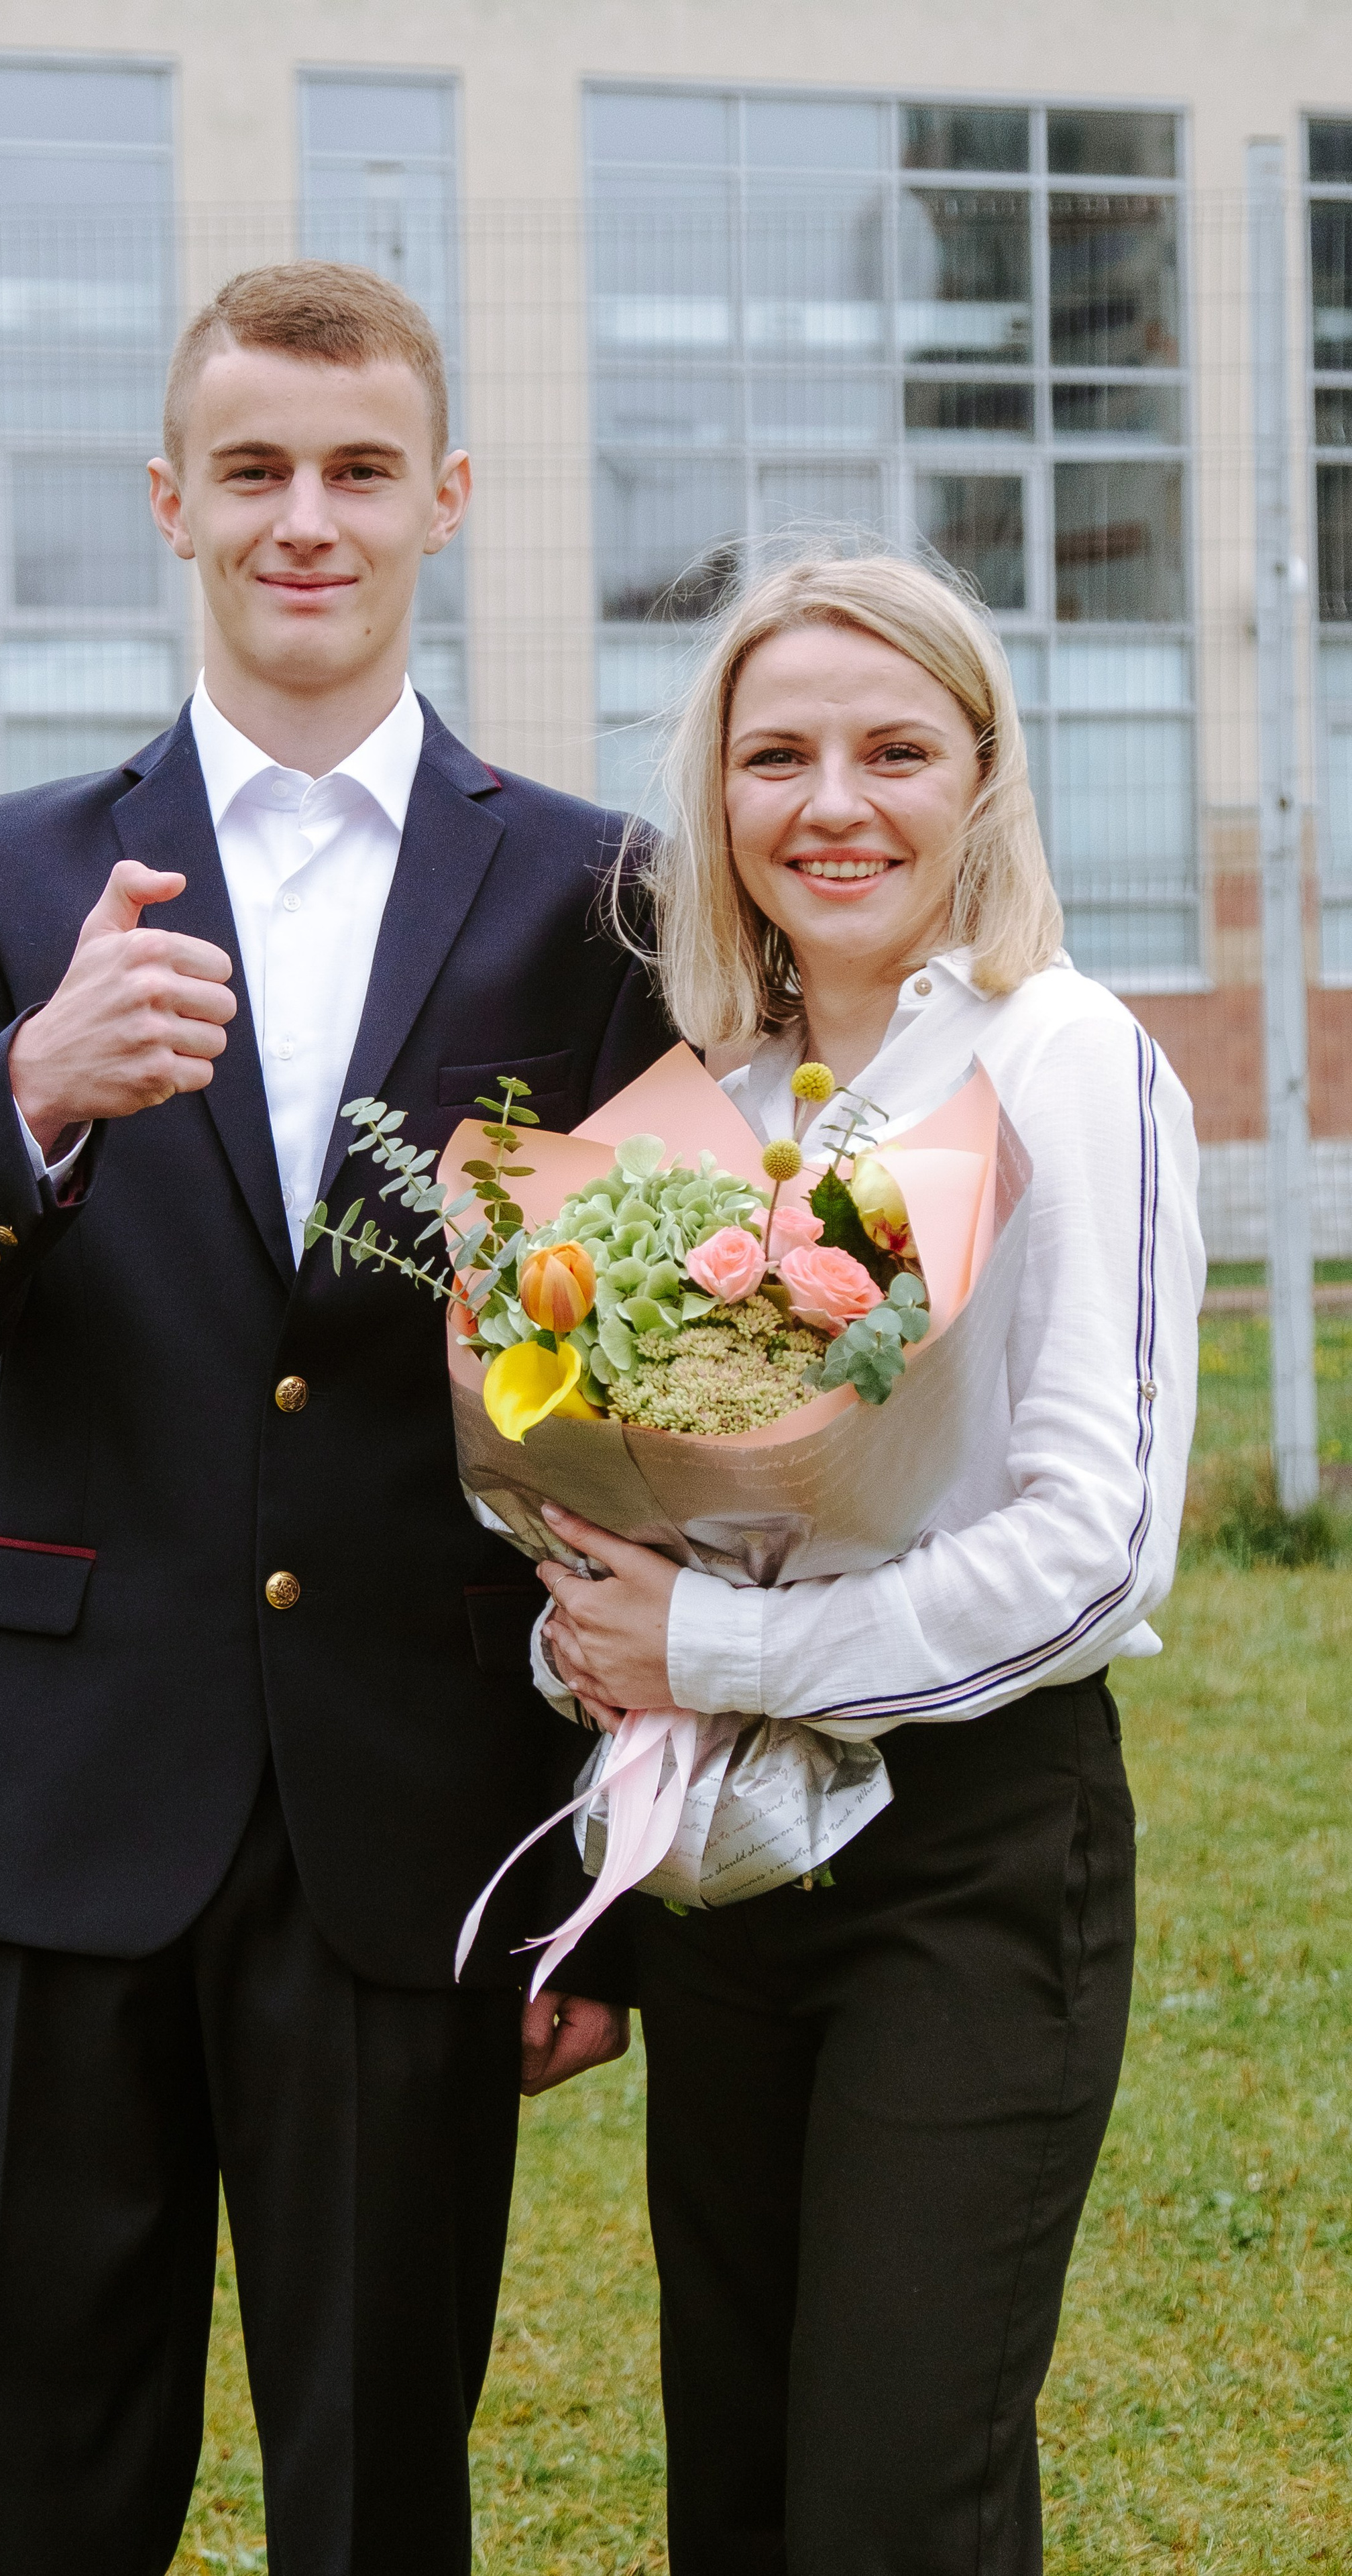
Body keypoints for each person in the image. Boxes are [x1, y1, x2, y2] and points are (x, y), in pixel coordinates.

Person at [0, 260, 671, 2576]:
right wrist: (27, 1101)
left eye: (362, 470)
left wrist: (602, 1881)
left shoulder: (595, 897)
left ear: (445, 501)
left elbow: (641, 1427)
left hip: (412, 1818)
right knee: (23, 2476)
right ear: (173, 500)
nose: (311, 517)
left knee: (379, 2489)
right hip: (51, 1804)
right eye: (259, 470)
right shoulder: (3, 875)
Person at [536, 550, 1204, 2575]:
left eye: (895, 749)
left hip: (972, 1860)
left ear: (982, 780)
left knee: (893, 2499)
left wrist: (714, 1641)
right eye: (779, 756)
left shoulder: (1068, 1055)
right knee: (737, 2485)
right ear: (718, 801)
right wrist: (592, 1619)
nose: (836, 802)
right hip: (732, 1867)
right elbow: (664, 1489)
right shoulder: (701, 1108)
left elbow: (1095, 1553)